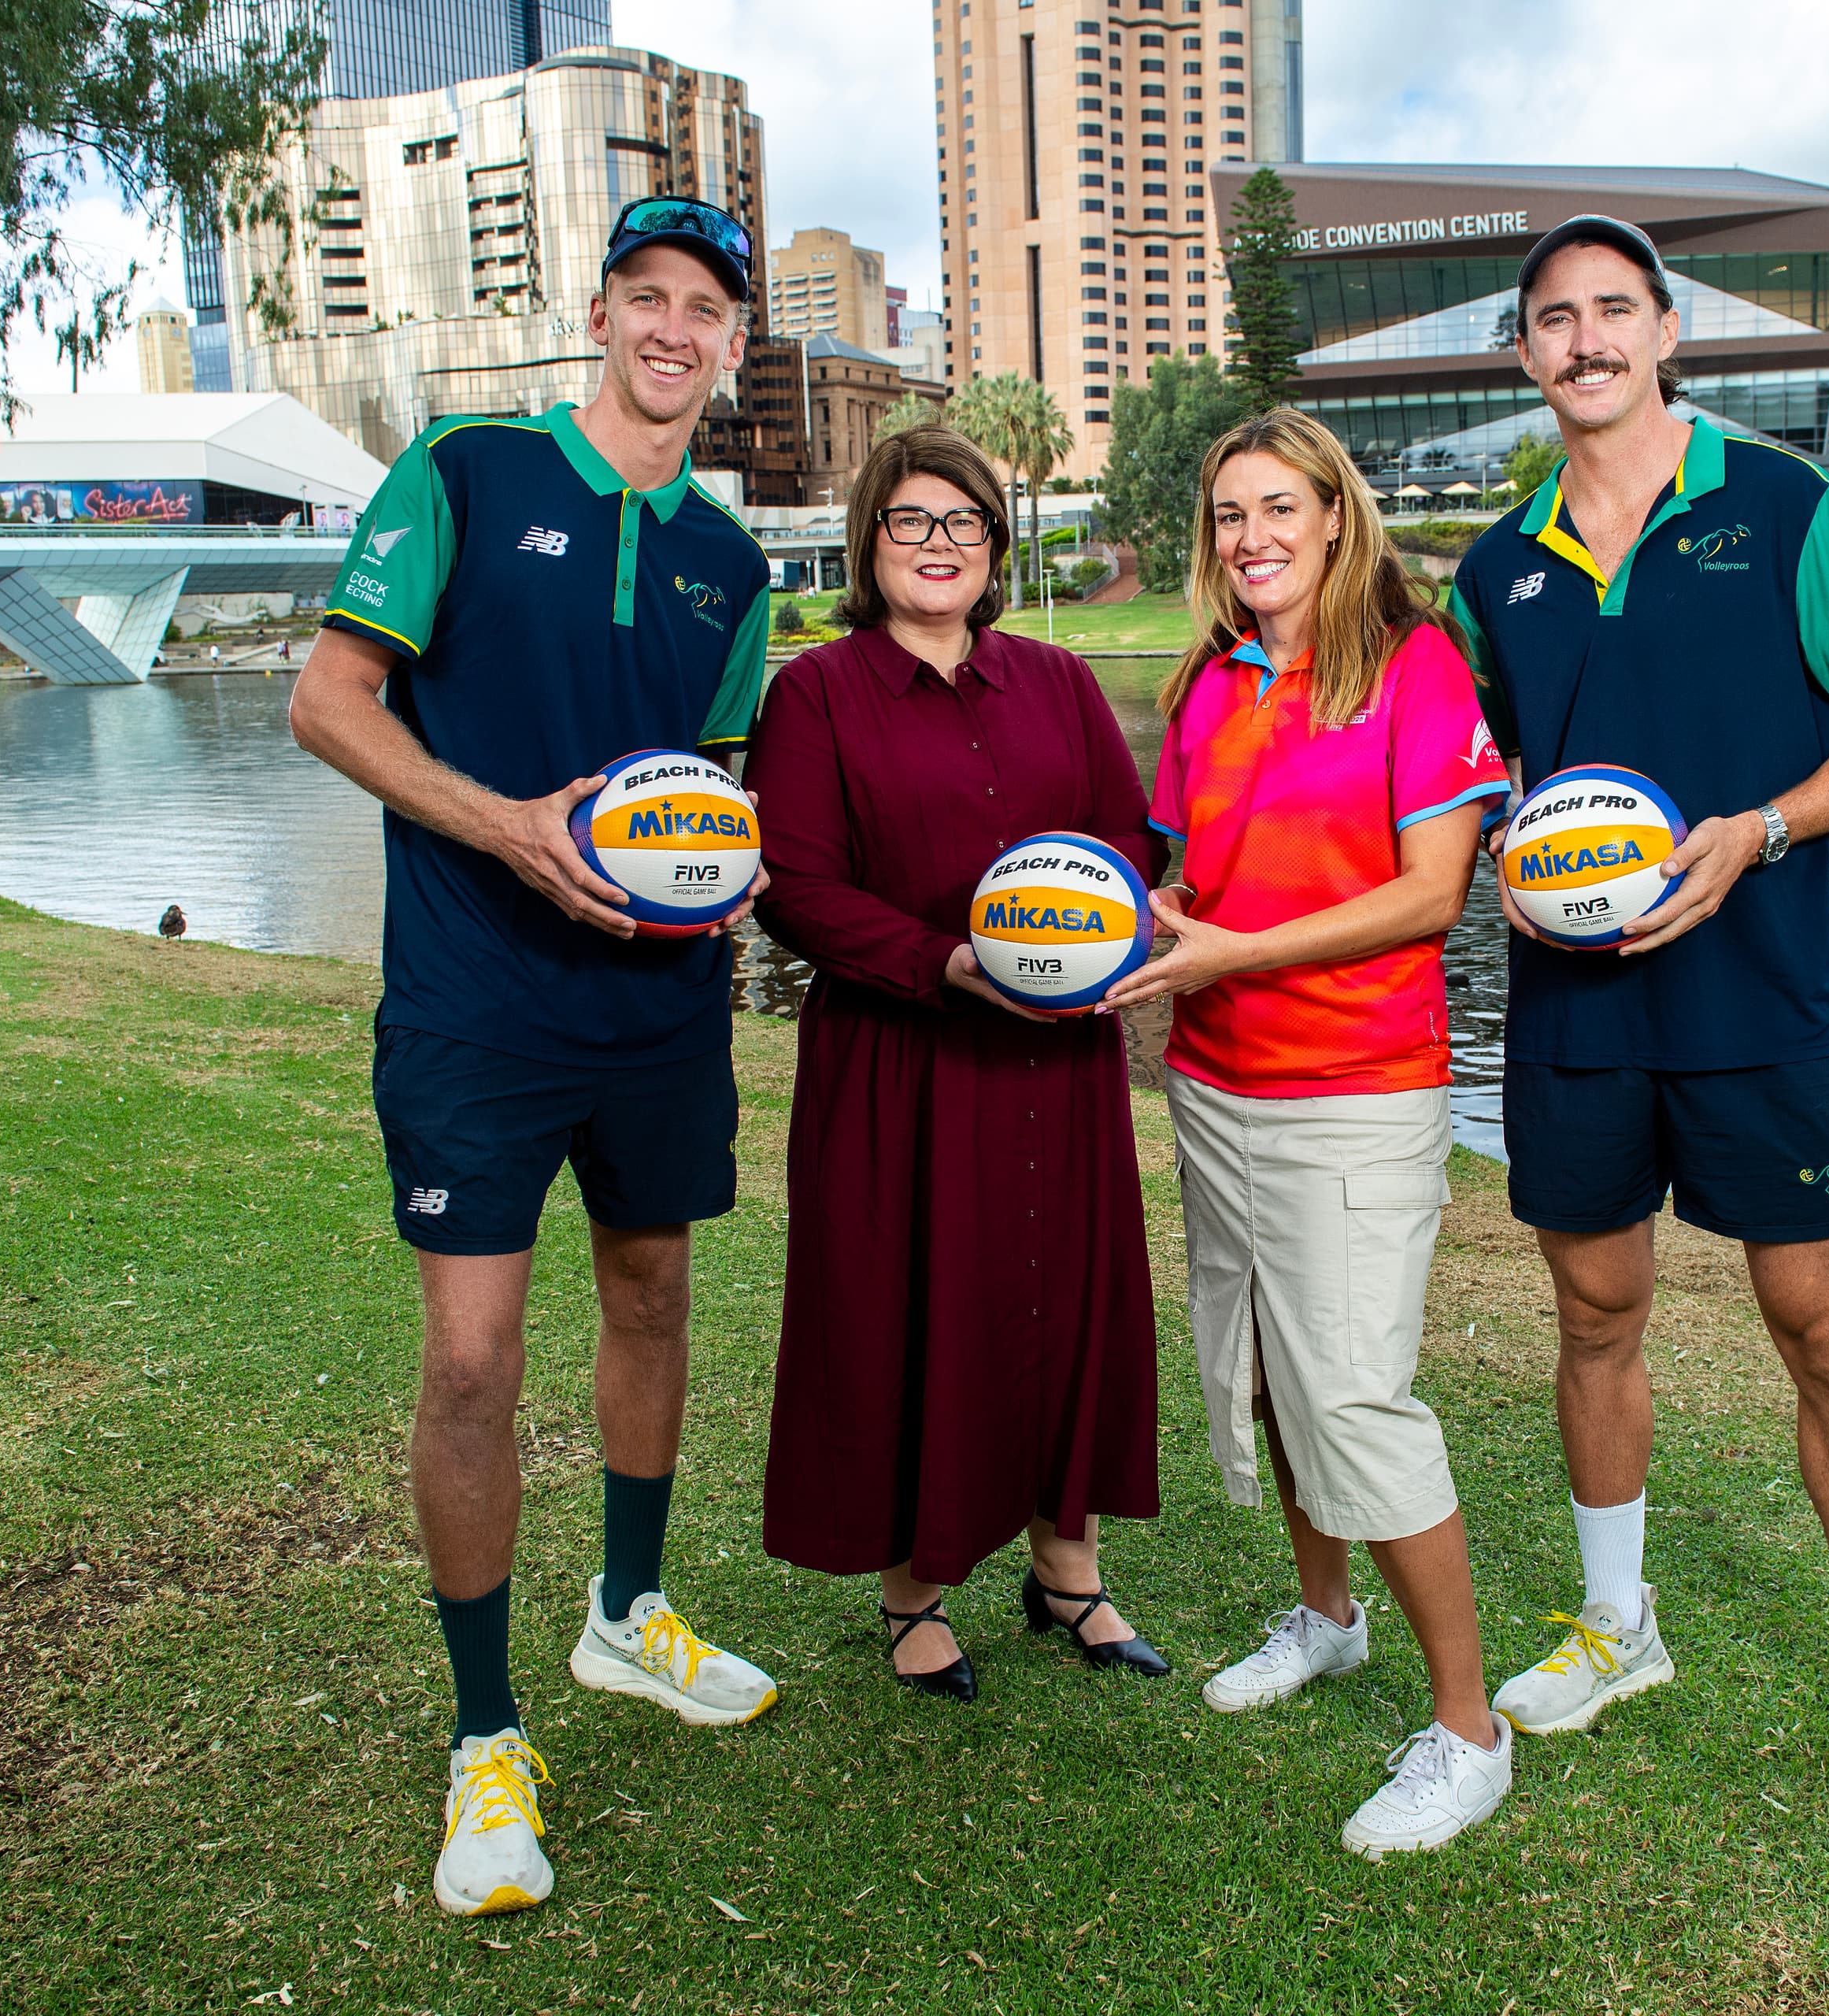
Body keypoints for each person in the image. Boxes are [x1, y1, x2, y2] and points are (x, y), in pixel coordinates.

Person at [1444, 216, 1829, 1838]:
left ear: (1668, 332)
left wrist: (1766, 827)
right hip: (1575, 1012)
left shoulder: (1781, 506)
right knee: (1596, 1312)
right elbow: (1474, 782)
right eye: (1556, 318)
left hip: (1760, 1000)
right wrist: (1498, 871)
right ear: (1526, 354)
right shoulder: (1495, 563)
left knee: (1822, 1322)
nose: (1587, 338)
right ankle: (1621, 1625)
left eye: (1615, 310)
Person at [288, 195, 783, 1920]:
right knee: (478, 1359)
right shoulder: (468, 469)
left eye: (704, 308)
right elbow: (328, 702)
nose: (672, 328)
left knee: (652, 1296)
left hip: (652, 1006)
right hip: (475, 998)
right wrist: (503, 825)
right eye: (645, 295)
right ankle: (483, 1735)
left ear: (731, 350)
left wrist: (734, 867)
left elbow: (712, 796)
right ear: (599, 314)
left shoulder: (734, 562)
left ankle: (627, 1614)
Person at [1104, 409, 1514, 1856]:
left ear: (1336, 516)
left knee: (1355, 1397)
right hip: (1216, 1084)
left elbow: (1429, 895)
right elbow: (1186, 878)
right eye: (1230, 514)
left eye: (1281, 508)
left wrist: (1229, 955)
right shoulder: (1210, 681)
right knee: (1275, 1370)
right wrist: (1143, 928)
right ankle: (1327, 1617)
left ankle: (1471, 1733)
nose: (1253, 537)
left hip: (1357, 1090)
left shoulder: (1414, 666)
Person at [746, 424, 1169, 1703]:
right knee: (907, 1308)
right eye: (912, 523)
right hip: (902, 1065)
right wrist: (946, 963)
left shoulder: (1059, 682)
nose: (941, 546)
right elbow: (798, 893)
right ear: (872, 546)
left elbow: (1124, 843)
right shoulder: (815, 694)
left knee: (1068, 1297)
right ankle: (913, 1592)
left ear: (996, 548)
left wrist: (1106, 932)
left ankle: (1068, 1568)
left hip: (1062, 1064)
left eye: (965, 524)